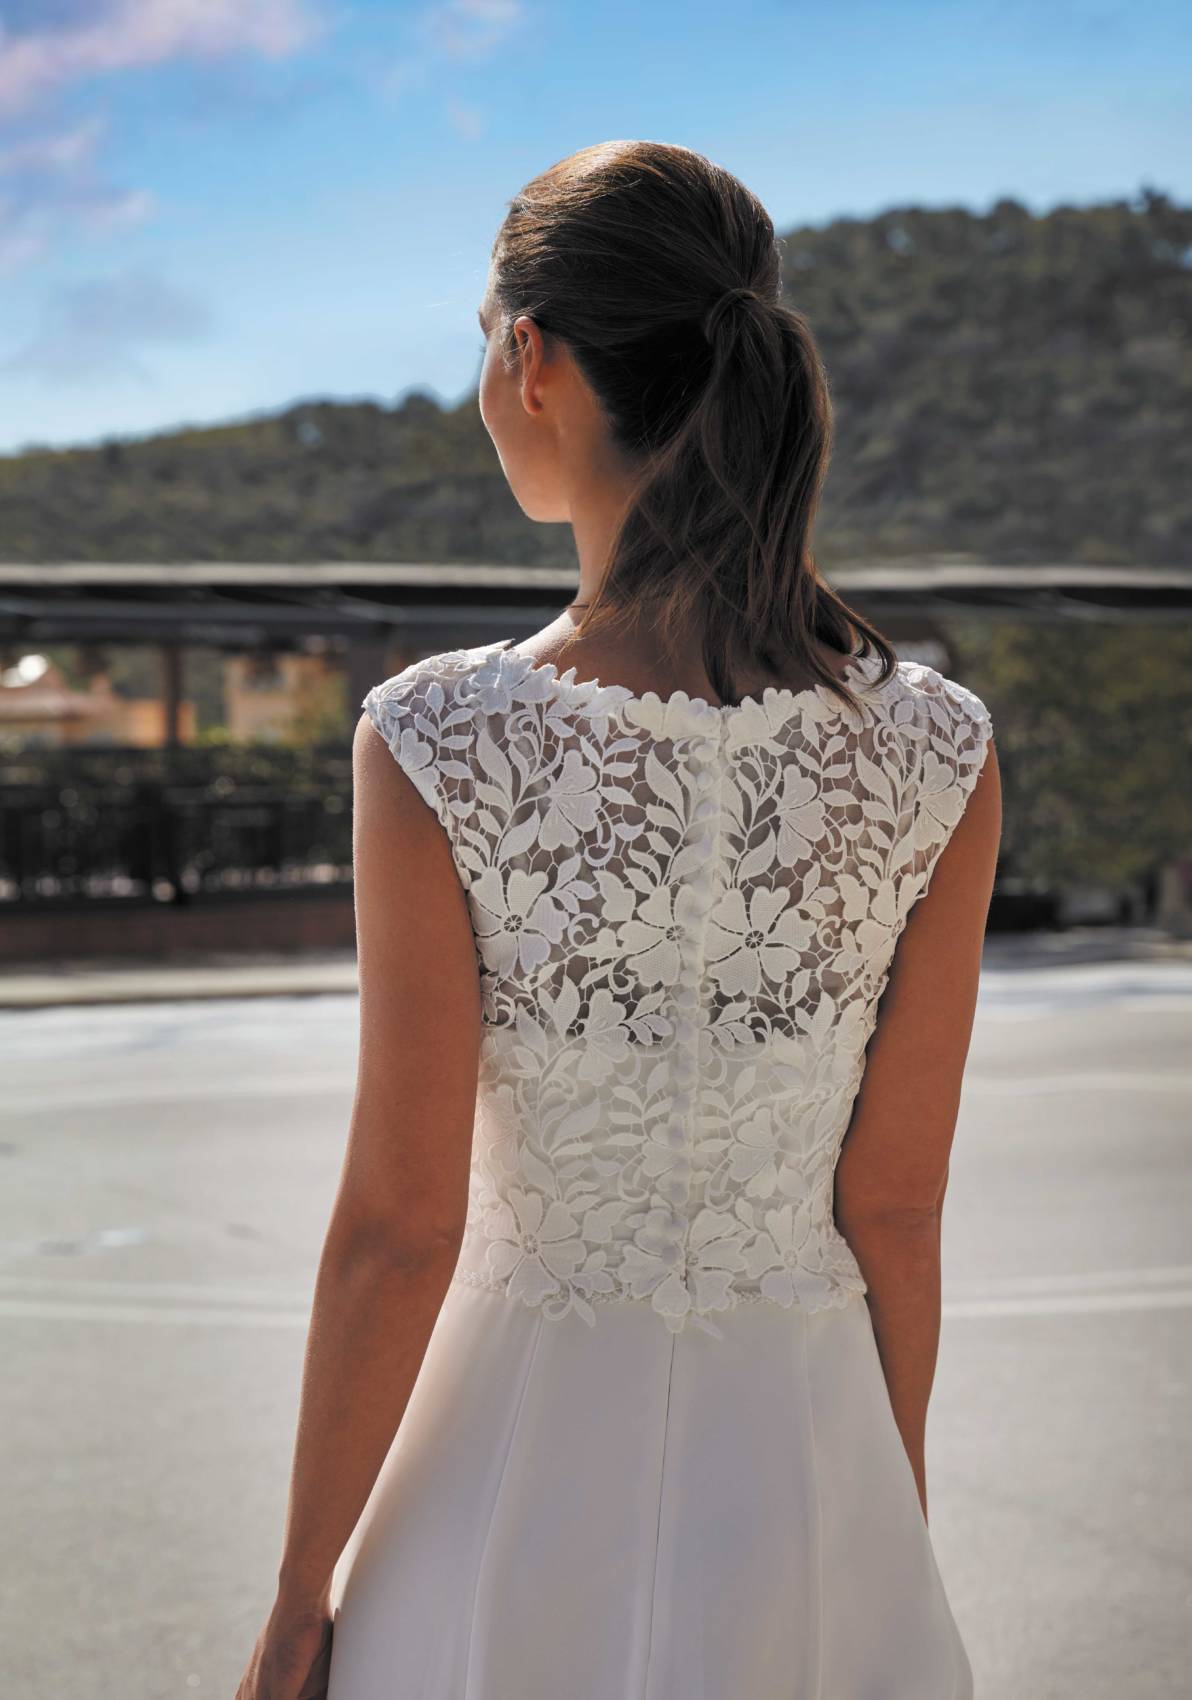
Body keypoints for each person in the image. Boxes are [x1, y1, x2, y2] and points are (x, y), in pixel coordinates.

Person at [235, 140, 1001, 1700]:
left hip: (509, 1493)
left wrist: (299, 1601)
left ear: (532, 359)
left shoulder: (440, 738)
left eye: (482, 339)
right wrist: (887, 1509)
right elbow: (898, 1209)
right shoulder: (938, 748)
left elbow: (400, 1227)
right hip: (808, 1476)